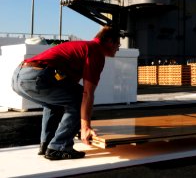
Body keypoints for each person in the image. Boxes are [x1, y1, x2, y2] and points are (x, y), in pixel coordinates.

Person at [11, 26, 122, 160]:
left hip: (19, 77)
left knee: (56, 103)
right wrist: (85, 127)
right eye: (118, 44)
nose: (118, 48)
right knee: (79, 97)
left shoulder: (81, 47)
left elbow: (69, 85)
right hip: (38, 76)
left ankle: (47, 144)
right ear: (110, 41)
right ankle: (59, 147)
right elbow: (87, 93)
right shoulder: (95, 52)